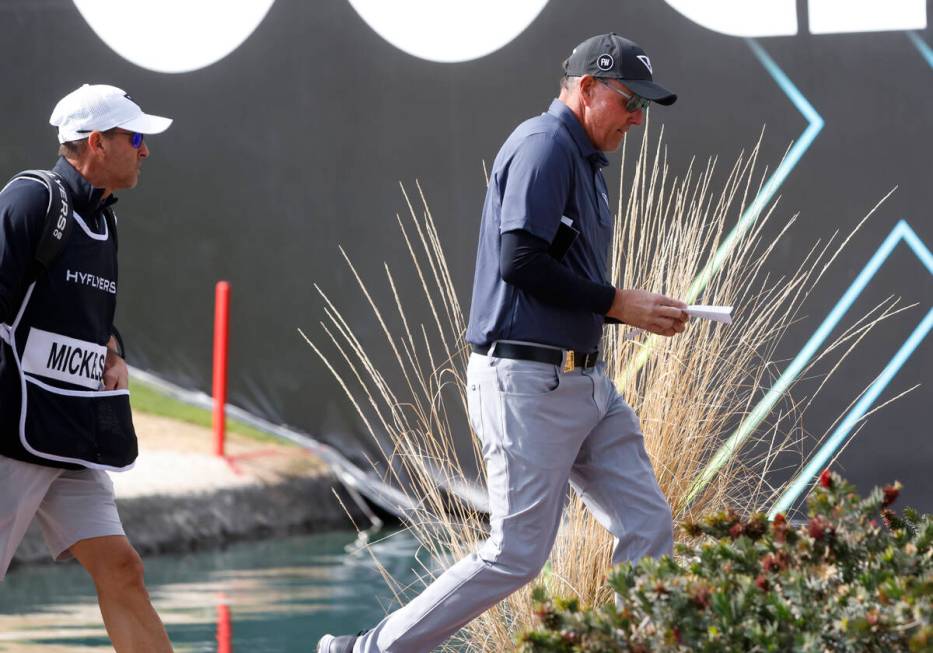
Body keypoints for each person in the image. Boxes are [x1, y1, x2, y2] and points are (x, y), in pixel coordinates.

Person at [317, 33, 688, 653]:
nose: (637, 119)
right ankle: (368, 650)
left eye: (644, 107)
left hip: (584, 383)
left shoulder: (586, 161)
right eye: (629, 102)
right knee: (516, 554)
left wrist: (626, 310)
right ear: (587, 88)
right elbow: (520, 261)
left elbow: (559, 277)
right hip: (528, 384)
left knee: (648, 525)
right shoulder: (545, 146)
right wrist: (617, 302)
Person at [0, 84, 174, 652]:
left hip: (69, 434)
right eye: (136, 137)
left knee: (121, 568)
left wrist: (112, 349)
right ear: (97, 142)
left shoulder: (104, 221)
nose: (145, 150)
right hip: (12, 433)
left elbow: (84, 313)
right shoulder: (32, 199)